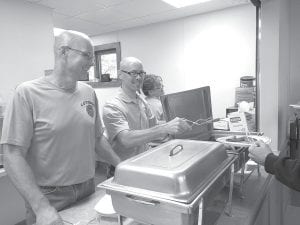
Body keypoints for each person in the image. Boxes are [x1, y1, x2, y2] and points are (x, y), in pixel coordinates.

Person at [0, 30, 121, 225]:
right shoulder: (27, 93)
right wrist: (41, 206)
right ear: (64, 52)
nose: (92, 62)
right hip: (49, 195)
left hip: (88, 187)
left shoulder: (88, 92)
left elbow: (97, 138)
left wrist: (121, 165)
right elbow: (12, 155)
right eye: (87, 55)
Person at [102, 57, 192, 161]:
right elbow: (126, 139)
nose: (139, 77)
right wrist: (165, 128)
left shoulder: (142, 101)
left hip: (143, 160)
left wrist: (175, 123)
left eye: (141, 73)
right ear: (120, 74)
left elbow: (153, 124)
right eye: (133, 73)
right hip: (124, 166)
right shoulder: (112, 106)